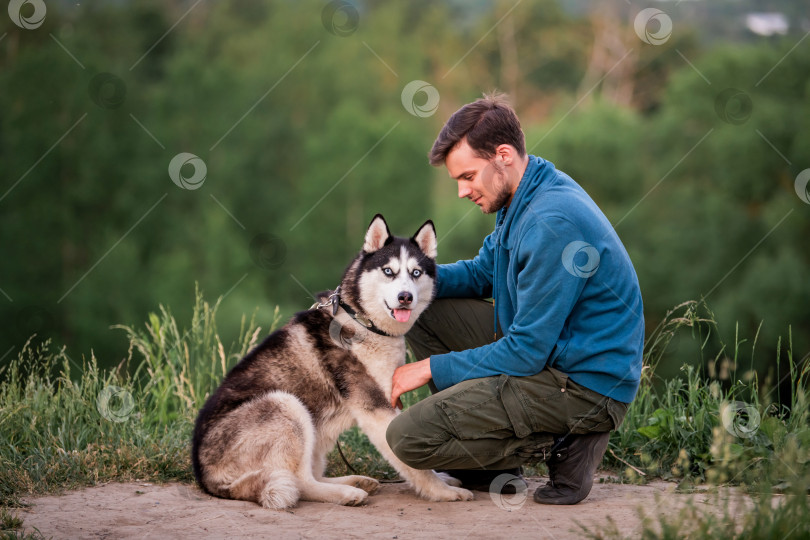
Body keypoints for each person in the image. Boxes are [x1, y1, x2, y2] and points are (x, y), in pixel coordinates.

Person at [385, 93, 644, 505]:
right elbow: (482, 273)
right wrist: (402, 281)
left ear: (502, 155)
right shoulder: (524, 192)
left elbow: (526, 351)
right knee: (423, 305)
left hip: (583, 385)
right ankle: (492, 466)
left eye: (467, 176)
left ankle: (562, 443)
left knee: (406, 439)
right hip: (547, 356)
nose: (461, 191)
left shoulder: (552, 222)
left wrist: (429, 367)